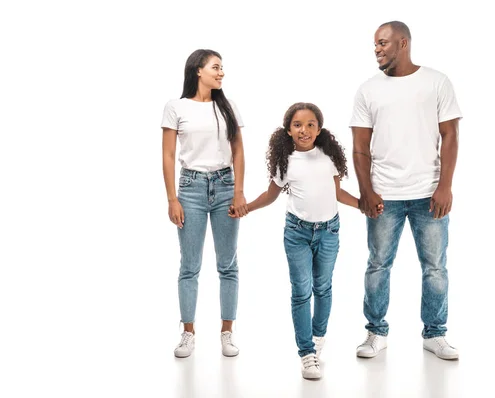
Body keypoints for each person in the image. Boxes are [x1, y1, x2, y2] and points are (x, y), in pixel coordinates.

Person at [229, 102, 383, 379]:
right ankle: (306, 353)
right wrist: (246, 208)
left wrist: (363, 204)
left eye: (311, 124)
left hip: (329, 232)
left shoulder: (328, 156)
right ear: (288, 130)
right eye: (298, 125)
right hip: (297, 233)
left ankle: (318, 336)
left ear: (319, 129)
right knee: (301, 291)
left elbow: (337, 193)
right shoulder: (285, 161)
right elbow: (271, 195)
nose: (304, 130)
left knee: (323, 287)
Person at [349, 21, 462, 360]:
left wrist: (445, 186)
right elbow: (359, 147)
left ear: (403, 43)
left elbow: (451, 136)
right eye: (374, 45)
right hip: (385, 194)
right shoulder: (368, 89)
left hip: (428, 193)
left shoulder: (436, 82)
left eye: (383, 43)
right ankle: (375, 332)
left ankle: (435, 333)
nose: (377, 49)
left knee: (435, 267)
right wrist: (366, 191)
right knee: (378, 265)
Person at [161, 49, 248, 359]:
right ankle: (188, 332)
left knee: (228, 264)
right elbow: (169, 156)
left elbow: (238, 151)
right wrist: (173, 198)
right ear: (198, 70)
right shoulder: (176, 107)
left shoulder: (228, 107)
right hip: (191, 188)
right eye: (215, 67)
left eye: (222, 68)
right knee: (190, 266)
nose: (221, 72)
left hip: (225, 187)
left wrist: (239, 192)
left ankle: (227, 332)